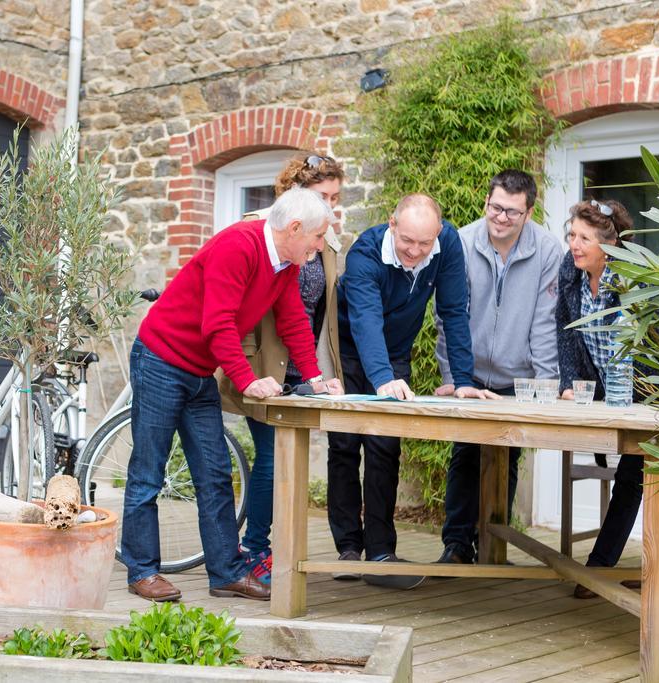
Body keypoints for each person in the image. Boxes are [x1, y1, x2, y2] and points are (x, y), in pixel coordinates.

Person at [123, 187, 345, 603]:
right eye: (318, 237)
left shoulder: (287, 264)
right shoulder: (238, 246)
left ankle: (226, 572)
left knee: (214, 474)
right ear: (295, 229)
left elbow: (293, 319)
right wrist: (247, 380)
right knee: (148, 472)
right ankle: (142, 571)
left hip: (197, 371)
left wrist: (315, 377)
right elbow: (218, 323)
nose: (321, 245)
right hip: (161, 360)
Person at [328, 193, 498, 589]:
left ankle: (382, 551)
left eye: (424, 243)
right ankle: (349, 548)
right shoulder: (364, 254)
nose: (415, 252)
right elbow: (365, 321)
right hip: (351, 351)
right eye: (407, 241)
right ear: (392, 223)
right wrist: (382, 378)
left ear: (438, 233)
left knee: (386, 447)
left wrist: (465, 380)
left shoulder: (447, 245)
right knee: (345, 444)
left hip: (396, 353)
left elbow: (454, 311)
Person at [217, 153, 345, 586]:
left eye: (335, 198)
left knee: (290, 462)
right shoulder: (261, 228)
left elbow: (314, 313)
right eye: (324, 197)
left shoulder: (326, 241)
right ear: (299, 197)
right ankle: (256, 549)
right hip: (262, 361)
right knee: (272, 458)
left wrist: (317, 373)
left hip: (302, 363)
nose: (331, 206)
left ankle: (276, 549)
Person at [434, 170, 563, 564]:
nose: (501, 218)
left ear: (528, 212)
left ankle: (491, 542)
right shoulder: (461, 241)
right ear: (485, 202)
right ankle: (456, 545)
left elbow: (545, 322)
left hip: (518, 377)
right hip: (469, 372)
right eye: (495, 207)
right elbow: (449, 317)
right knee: (465, 454)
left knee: (506, 459)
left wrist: (547, 386)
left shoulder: (547, 249)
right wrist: (453, 379)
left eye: (512, 211)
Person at [555, 198, 644, 599]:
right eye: (572, 235)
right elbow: (566, 327)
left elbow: (652, 346)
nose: (574, 244)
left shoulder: (631, 279)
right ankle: (599, 569)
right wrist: (571, 381)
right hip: (603, 394)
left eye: (584, 238)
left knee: (634, 475)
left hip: (648, 393)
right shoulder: (570, 272)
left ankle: (598, 568)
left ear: (608, 245)